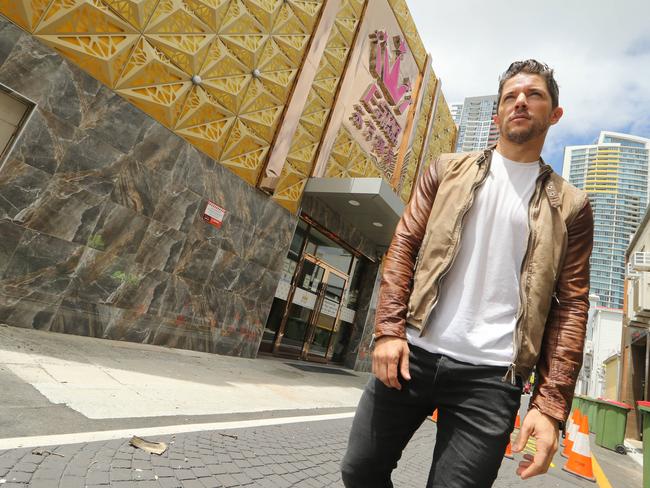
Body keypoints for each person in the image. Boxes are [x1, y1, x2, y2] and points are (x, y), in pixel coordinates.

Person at [341, 59, 593, 488]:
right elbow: (405, 245)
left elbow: (571, 306)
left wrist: (549, 407)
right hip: (413, 353)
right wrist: (388, 330)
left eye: (534, 95)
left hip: (491, 378)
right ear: (497, 114)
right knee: (360, 470)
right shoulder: (445, 169)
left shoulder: (571, 205)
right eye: (511, 96)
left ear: (554, 115)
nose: (520, 102)